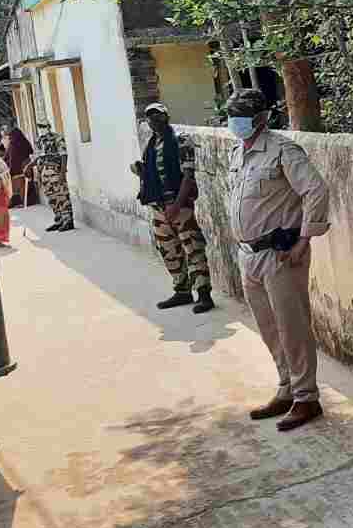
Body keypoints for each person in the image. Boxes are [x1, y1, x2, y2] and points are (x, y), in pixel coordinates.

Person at [226, 89, 330, 432]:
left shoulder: (283, 150)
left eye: (241, 115)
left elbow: (315, 190)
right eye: (232, 115)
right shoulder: (238, 154)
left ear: (261, 118)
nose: (235, 122)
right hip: (249, 255)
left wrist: (304, 240)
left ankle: (306, 397)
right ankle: (287, 388)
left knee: (292, 326)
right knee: (269, 328)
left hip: (280, 254)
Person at [132, 102, 214, 314]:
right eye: (150, 117)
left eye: (158, 116)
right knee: (168, 251)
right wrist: (142, 172)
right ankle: (182, 291)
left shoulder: (180, 140)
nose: (154, 120)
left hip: (179, 205)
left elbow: (188, 176)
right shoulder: (151, 144)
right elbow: (153, 174)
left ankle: (204, 294)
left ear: (166, 117)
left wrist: (176, 206)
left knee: (192, 248)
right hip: (158, 207)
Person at [27, 126, 74, 231]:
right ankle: (59, 220)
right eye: (40, 126)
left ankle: (68, 220)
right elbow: (38, 157)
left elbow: (63, 155)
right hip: (44, 172)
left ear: (49, 127)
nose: (42, 129)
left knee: (61, 195)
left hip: (55, 170)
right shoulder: (39, 140)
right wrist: (29, 166)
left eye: (44, 126)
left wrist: (63, 172)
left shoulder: (57, 138)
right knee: (51, 197)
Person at [3, 126, 34, 208]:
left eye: (11, 136)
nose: (10, 137)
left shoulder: (14, 144)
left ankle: (24, 202)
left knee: (21, 187)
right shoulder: (20, 142)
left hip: (20, 169)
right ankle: (24, 202)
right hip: (22, 169)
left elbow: (12, 158)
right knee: (21, 187)